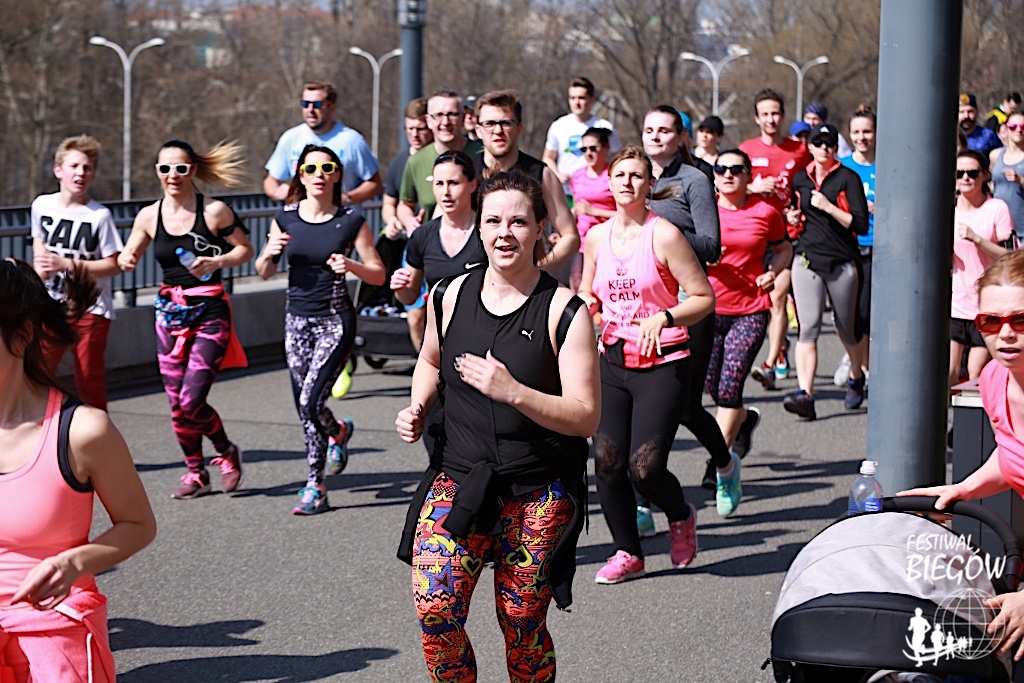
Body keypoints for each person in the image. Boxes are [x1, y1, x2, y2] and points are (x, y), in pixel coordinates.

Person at [395, 171, 599, 682]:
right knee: (436, 610)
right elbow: (430, 360)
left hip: (538, 487)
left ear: (540, 229)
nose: (504, 233)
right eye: (493, 221)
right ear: (479, 228)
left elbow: (585, 416)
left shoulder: (565, 311)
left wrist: (514, 392)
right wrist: (417, 406)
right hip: (459, 477)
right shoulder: (448, 294)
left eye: (518, 222)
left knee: (521, 619)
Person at [0, 259, 156, 681]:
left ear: (21, 336)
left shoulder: (82, 431)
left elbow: (139, 525)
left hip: (53, 631)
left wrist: (75, 563)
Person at [579, 146, 717, 582]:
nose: (627, 182)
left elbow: (704, 297)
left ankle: (680, 515)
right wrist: (587, 308)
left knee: (644, 468)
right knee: (607, 460)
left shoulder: (665, 235)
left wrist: (666, 316)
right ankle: (628, 553)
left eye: (636, 175)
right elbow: (588, 292)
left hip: (662, 362)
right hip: (613, 359)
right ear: (609, 182)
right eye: (620, 175)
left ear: (649, 185)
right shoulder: (596, 237)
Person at [899, 249, 1024, 663]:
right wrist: (963, 489)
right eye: (991, 321)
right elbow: (1013, 454)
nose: (1005, 334)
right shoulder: (994, 379)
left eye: (1020, 320)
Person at [118, 140, 254, 499]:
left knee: (192, 400)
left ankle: (225, 451)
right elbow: (130, 252)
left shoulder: (214, 212)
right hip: (169, 315)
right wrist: (126, 260)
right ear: (157, 172)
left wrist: (217, 261)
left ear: (192, 169)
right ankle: (196, 472)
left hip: (210, 313)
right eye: (165, 169)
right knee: (176, 405)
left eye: (180, 168)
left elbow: (245, 250)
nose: (172, 175)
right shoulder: (149, 216)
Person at [255, 145, 385, 515]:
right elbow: (263, 271)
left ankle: (316, 486)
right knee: (306, 405)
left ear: (337, 174)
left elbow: (378, 273)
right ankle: (338, 432)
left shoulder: (350, 219)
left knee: (309, 402)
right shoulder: (285, 218)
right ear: (300, 174)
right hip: (296, 322)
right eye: (310, 168)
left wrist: (352, 266)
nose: (319, 175)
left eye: (327, 168)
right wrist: (270, 252)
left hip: (334, 321)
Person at [642, 104, 733, 499]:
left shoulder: (694, 179)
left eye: (665, 130)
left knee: (685, 407)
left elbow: (711, 246)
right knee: (643, 402)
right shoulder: (634, 175)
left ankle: (725, 463)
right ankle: (644, 496)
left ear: (681, 137)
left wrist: (663, 231)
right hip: (641, 303)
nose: (656, 136)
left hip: (686, 302)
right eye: (649, 130)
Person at [706, 150, 792, 507]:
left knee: (729, 389)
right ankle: (743, 421)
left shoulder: (765, 212)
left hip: (750, 310)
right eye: (721, 169)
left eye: (736, 169)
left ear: (748, 175)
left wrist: (773, 272)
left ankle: (719, 465)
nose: (728, 174)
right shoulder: (704, 211)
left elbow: (784, 249)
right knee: (712, 388)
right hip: (707, 311)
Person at [782, 123, 870, 420]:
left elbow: (860, 224)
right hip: (807, 258)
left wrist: (829, 207)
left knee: (846, 326)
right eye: (818, 143)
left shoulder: (848, 178)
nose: (823, 149)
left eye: (829, 144)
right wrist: (792, 217)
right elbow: (792, 212)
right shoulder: (800, 178)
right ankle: (805, 395)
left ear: (836, 148)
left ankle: (856, 375)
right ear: (810, 147)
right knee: (807, 328)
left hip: (842, 261)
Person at [31, 135, 122, 411]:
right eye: (74, 166)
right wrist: (40, 266)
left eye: (87, 168)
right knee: (39, 371)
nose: (81, 173)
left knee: (87, 378)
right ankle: (42, 430)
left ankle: (99, 433)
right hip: (53, 303)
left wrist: (66, 264)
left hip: (90, 307)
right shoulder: (41, 205)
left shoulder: (99, 216)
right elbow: (39, 240)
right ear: (58, 170)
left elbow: (114, 264)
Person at [740, 89, 811, 391]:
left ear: (782, 116)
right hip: (754, 235)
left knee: (778, 296)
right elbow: (729, 188)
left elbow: (808, 187)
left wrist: (797, 210)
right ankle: (780, 347)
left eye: (775, 113)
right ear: (757, 118)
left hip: (786, 236)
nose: (771, 119)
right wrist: (753, 189)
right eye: (765, 114)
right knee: (763, 301)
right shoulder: (746, 149)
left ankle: (768, 365)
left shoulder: (799, 151)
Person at [472, 89, 580, 271]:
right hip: (473, 277)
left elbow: (570, 237)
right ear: (478, 130)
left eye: (506, 123)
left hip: (525, 282)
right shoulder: (464, 173)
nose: (498, 131)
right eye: (489, 123)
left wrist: (538, 272)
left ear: (519, 128)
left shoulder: (541, 174)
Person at [950, 149, 1014, 388]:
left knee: (975, 373)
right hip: (956, 303)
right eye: (960, 173)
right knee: (949, 373)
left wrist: (977, 239)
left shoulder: (996, 208)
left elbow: (1009, 256)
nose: (966, 178)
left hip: (985, 306)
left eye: (972, 173)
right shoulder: (949, 210)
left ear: (985, 175)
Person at [263, 80, 383, 205]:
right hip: (302, 215)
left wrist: (345, 199)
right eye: (305, 104)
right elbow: (270, 182)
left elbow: (375, 183)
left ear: (332, 107)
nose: (310, 110)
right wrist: (283, 192)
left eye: (317, 105)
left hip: (340, 215)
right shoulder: (291, 138)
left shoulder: (352, 141)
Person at [380, 98, 433, 356]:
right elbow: (389, 205)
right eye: (409, 129)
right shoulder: (400, 162)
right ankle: (425, 368)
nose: (414, 134)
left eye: (420, 128)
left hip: (446, 246)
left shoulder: (444, 158)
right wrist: (394, 221)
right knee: (415, 318)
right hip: (413, 249)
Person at [398, 89, 484, 234]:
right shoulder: (416, 161)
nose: (445, 122)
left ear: (463, 118)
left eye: (452, 114)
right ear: (428, 121)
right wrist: (409, 221)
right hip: (432, 242)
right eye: (438, 115)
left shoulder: (482, 154)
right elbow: (405, 204)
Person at [834, 106, 878, 388]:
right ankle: (853, 360)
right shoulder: (842, 166)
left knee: (865, 314)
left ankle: (862, 367)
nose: (862, 137)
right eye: (857, 132)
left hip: (875, 247)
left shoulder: (886, 166)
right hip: (845, 247)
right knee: (843, 315)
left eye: (867, 131)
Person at [542, 76, 621, 187]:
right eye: (572, 98)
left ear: (592, 100)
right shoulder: (558, 126)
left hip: (596, 189)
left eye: (581, 98)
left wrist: (608, 177)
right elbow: (548, 157)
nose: (576, 102)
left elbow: (618, 159)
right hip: (565, 190)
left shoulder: (604, 127)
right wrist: (557, 175)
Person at [567, 127, 616, 292]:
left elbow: (627, 214)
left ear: (606, 147)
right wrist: (564, 231)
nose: (588, 153)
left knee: (605, 286)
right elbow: (576, 208)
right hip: (582, 242)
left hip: (610, 240)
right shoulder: (577, 175)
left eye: (593, 148)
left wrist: (595, 212)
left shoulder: (615, 174)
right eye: (584, 149)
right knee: (578, 283)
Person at [991, 110, 1024, 243]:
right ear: (1005, 128)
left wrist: (1020, 180)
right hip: (999, 226)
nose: (1019, 130)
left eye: (1023, 127)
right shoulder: (995, 155)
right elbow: (991, 183)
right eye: (1013, 126)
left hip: (1021, 228)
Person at [960, 92, 1003, 157]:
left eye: (970, 111)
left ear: (977, 112)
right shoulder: (948, 136)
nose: (966, 116)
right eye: (961, 112)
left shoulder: (988, 136)